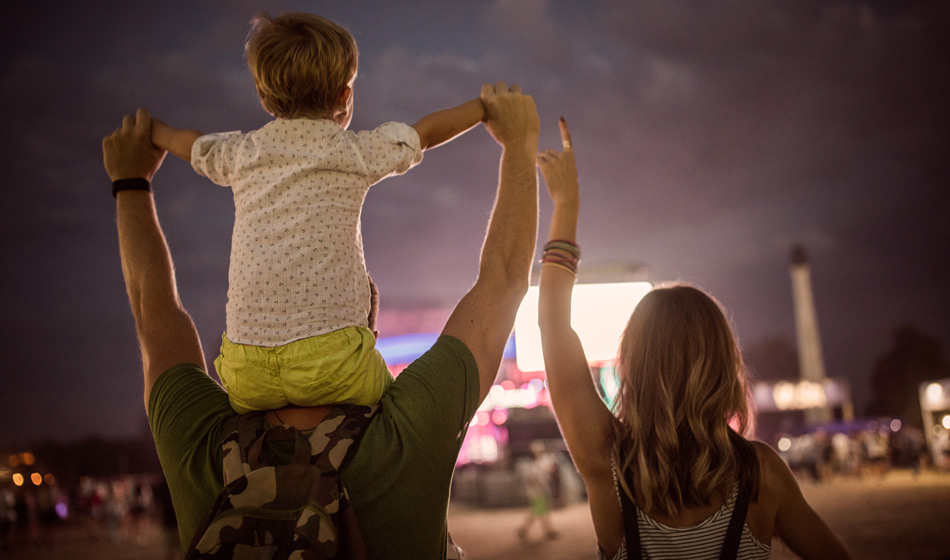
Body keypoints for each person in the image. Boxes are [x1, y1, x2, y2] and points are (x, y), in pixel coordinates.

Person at [103, 80, 538, 559]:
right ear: (365, 323)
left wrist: (130, 183)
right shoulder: (408, 433)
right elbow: (503, 280)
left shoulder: (201, 446)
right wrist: (518, 145)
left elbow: (153, 310)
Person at [535, 119, 852, 559]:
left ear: (633, 364)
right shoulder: (762, 474)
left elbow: (552, 324)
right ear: (724, 366)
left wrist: (565, 203)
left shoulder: (606, 463)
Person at [148, 12, 487, 414]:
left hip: (244, 373)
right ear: (345, 98)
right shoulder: (354, 152)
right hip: (333, 364)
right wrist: (484, 108)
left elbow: (192, 145)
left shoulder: (243, 154)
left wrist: (153, 132)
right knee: (397, 404)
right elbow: (425, 133)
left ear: (263, 95)